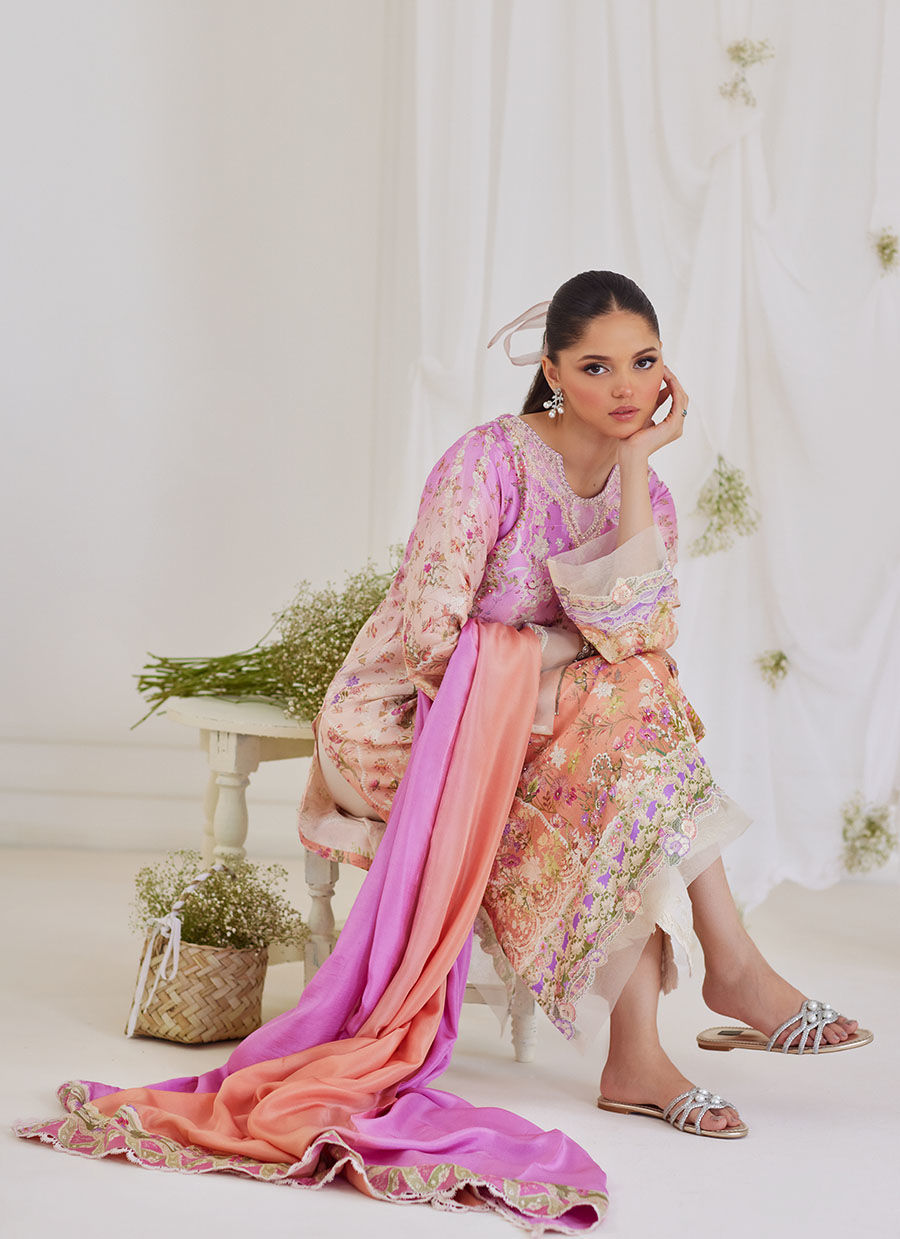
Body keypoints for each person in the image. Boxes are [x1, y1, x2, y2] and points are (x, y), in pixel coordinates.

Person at [300, 269, 872, 1138]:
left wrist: (636, 464)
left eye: (644, 361)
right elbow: (430, 648)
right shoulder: (486, 465)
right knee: (624, 716)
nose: (627, 387)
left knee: (627, 717)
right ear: (553, 372)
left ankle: (658, 1037)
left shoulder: (650, 497)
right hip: (405, 723)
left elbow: (642, 634)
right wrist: (571, 647)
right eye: (596, 367)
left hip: (549, 720)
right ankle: (719, 977)